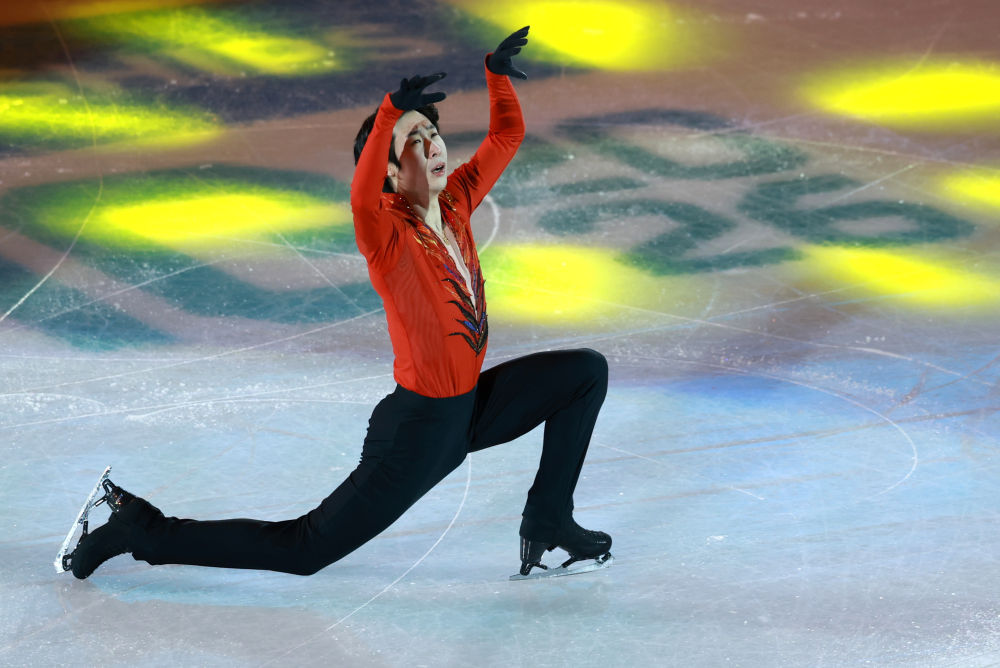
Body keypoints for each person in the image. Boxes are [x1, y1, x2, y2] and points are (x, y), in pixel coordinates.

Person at [65, 26, 612, 580]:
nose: (434, 145)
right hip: (418, 430)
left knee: (583, 373)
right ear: (390, 171)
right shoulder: (386, 233)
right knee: (303, 550)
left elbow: (506, 135)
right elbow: (361, 196)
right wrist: (389, 112)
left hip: (470, 411)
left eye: (433, 132)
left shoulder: (456, 205)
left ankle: (548, 520)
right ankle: (141, 529)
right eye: (414, 141)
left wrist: (495, 76)